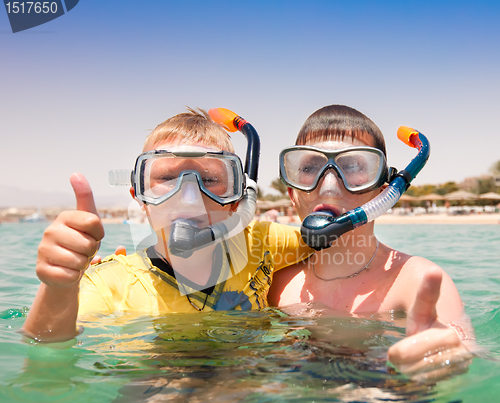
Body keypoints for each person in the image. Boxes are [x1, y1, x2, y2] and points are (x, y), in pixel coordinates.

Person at [22, 109, 312, 342]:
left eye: (210, 180)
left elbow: (335, 238)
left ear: (237, 199)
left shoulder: (262, 243)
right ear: (139, 197)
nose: (189, 199)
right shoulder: (111, 283)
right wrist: (58, 288)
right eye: (167, 179)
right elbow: (48, 344)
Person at [268, 105, 474, 375]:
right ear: (292, 192)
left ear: (384, 194)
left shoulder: (416, 282)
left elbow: (465, 350)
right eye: (309, 167)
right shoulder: (275, 283)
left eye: (353, 167)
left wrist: (448, 357)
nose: (329, 186)